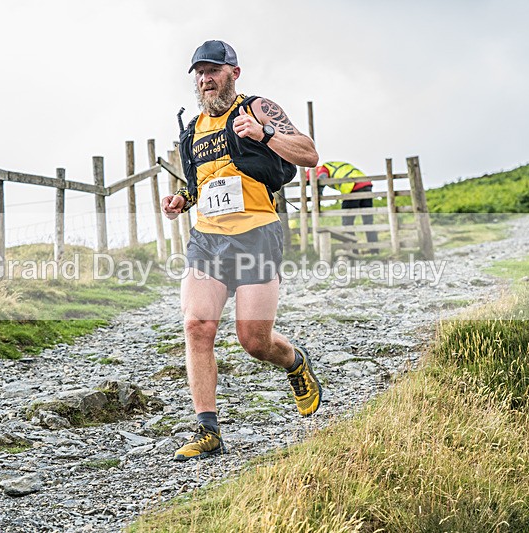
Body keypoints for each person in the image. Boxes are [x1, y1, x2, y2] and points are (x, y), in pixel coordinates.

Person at [161, 40, 322, 462]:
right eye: (199, 72)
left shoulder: (257, 109)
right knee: (197, 326)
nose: (205, 78)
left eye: (214, 70)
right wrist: (182, 199)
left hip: (256, 235)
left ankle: (294, 362)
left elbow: (308, 153)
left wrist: (265, 133)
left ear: (234, 72)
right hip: (208, 239)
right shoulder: (191, 130)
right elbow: (201, 184)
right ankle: (208, 430)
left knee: (253, 340)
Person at [308, 162, 378, 250]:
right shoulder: (333, 166)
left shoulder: (323, 168)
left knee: (347, 223)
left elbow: (322, 178)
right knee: (368, 221)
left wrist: (317, 200)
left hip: (353, 187)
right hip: (366, 185)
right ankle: (375, 250)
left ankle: (352, 250)